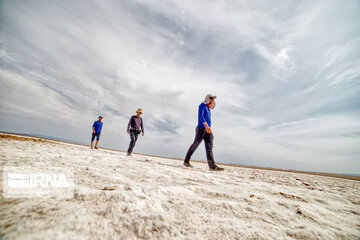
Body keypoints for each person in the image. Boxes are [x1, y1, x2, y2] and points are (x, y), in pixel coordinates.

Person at [184, 94, 224, 171]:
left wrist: (209, 128)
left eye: (213, 99)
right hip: (201, 128)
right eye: (211, 98)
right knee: (195, 144)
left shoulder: (209, 109)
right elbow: (200, 117)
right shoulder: (202, 105)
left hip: (208, 130)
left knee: (209, 147)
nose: (212, 100)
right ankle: (186, 161)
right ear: (208, 99)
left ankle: (212, 166)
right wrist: (206, 126)